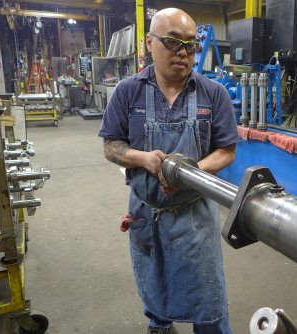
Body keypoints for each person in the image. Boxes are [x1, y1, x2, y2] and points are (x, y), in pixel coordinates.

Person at [98, 7, 238, 334]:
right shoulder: (128, 92)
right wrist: (143, 159)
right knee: (155, 285)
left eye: (191, 45)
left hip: (195, 215)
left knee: (209, 298)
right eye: (173, 42)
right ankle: (160, 326)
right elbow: (110, 146)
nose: (184, 53)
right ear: (149, 43)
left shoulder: (213, 94)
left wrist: (193, 170)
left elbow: (227, 151)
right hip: (147, 214)